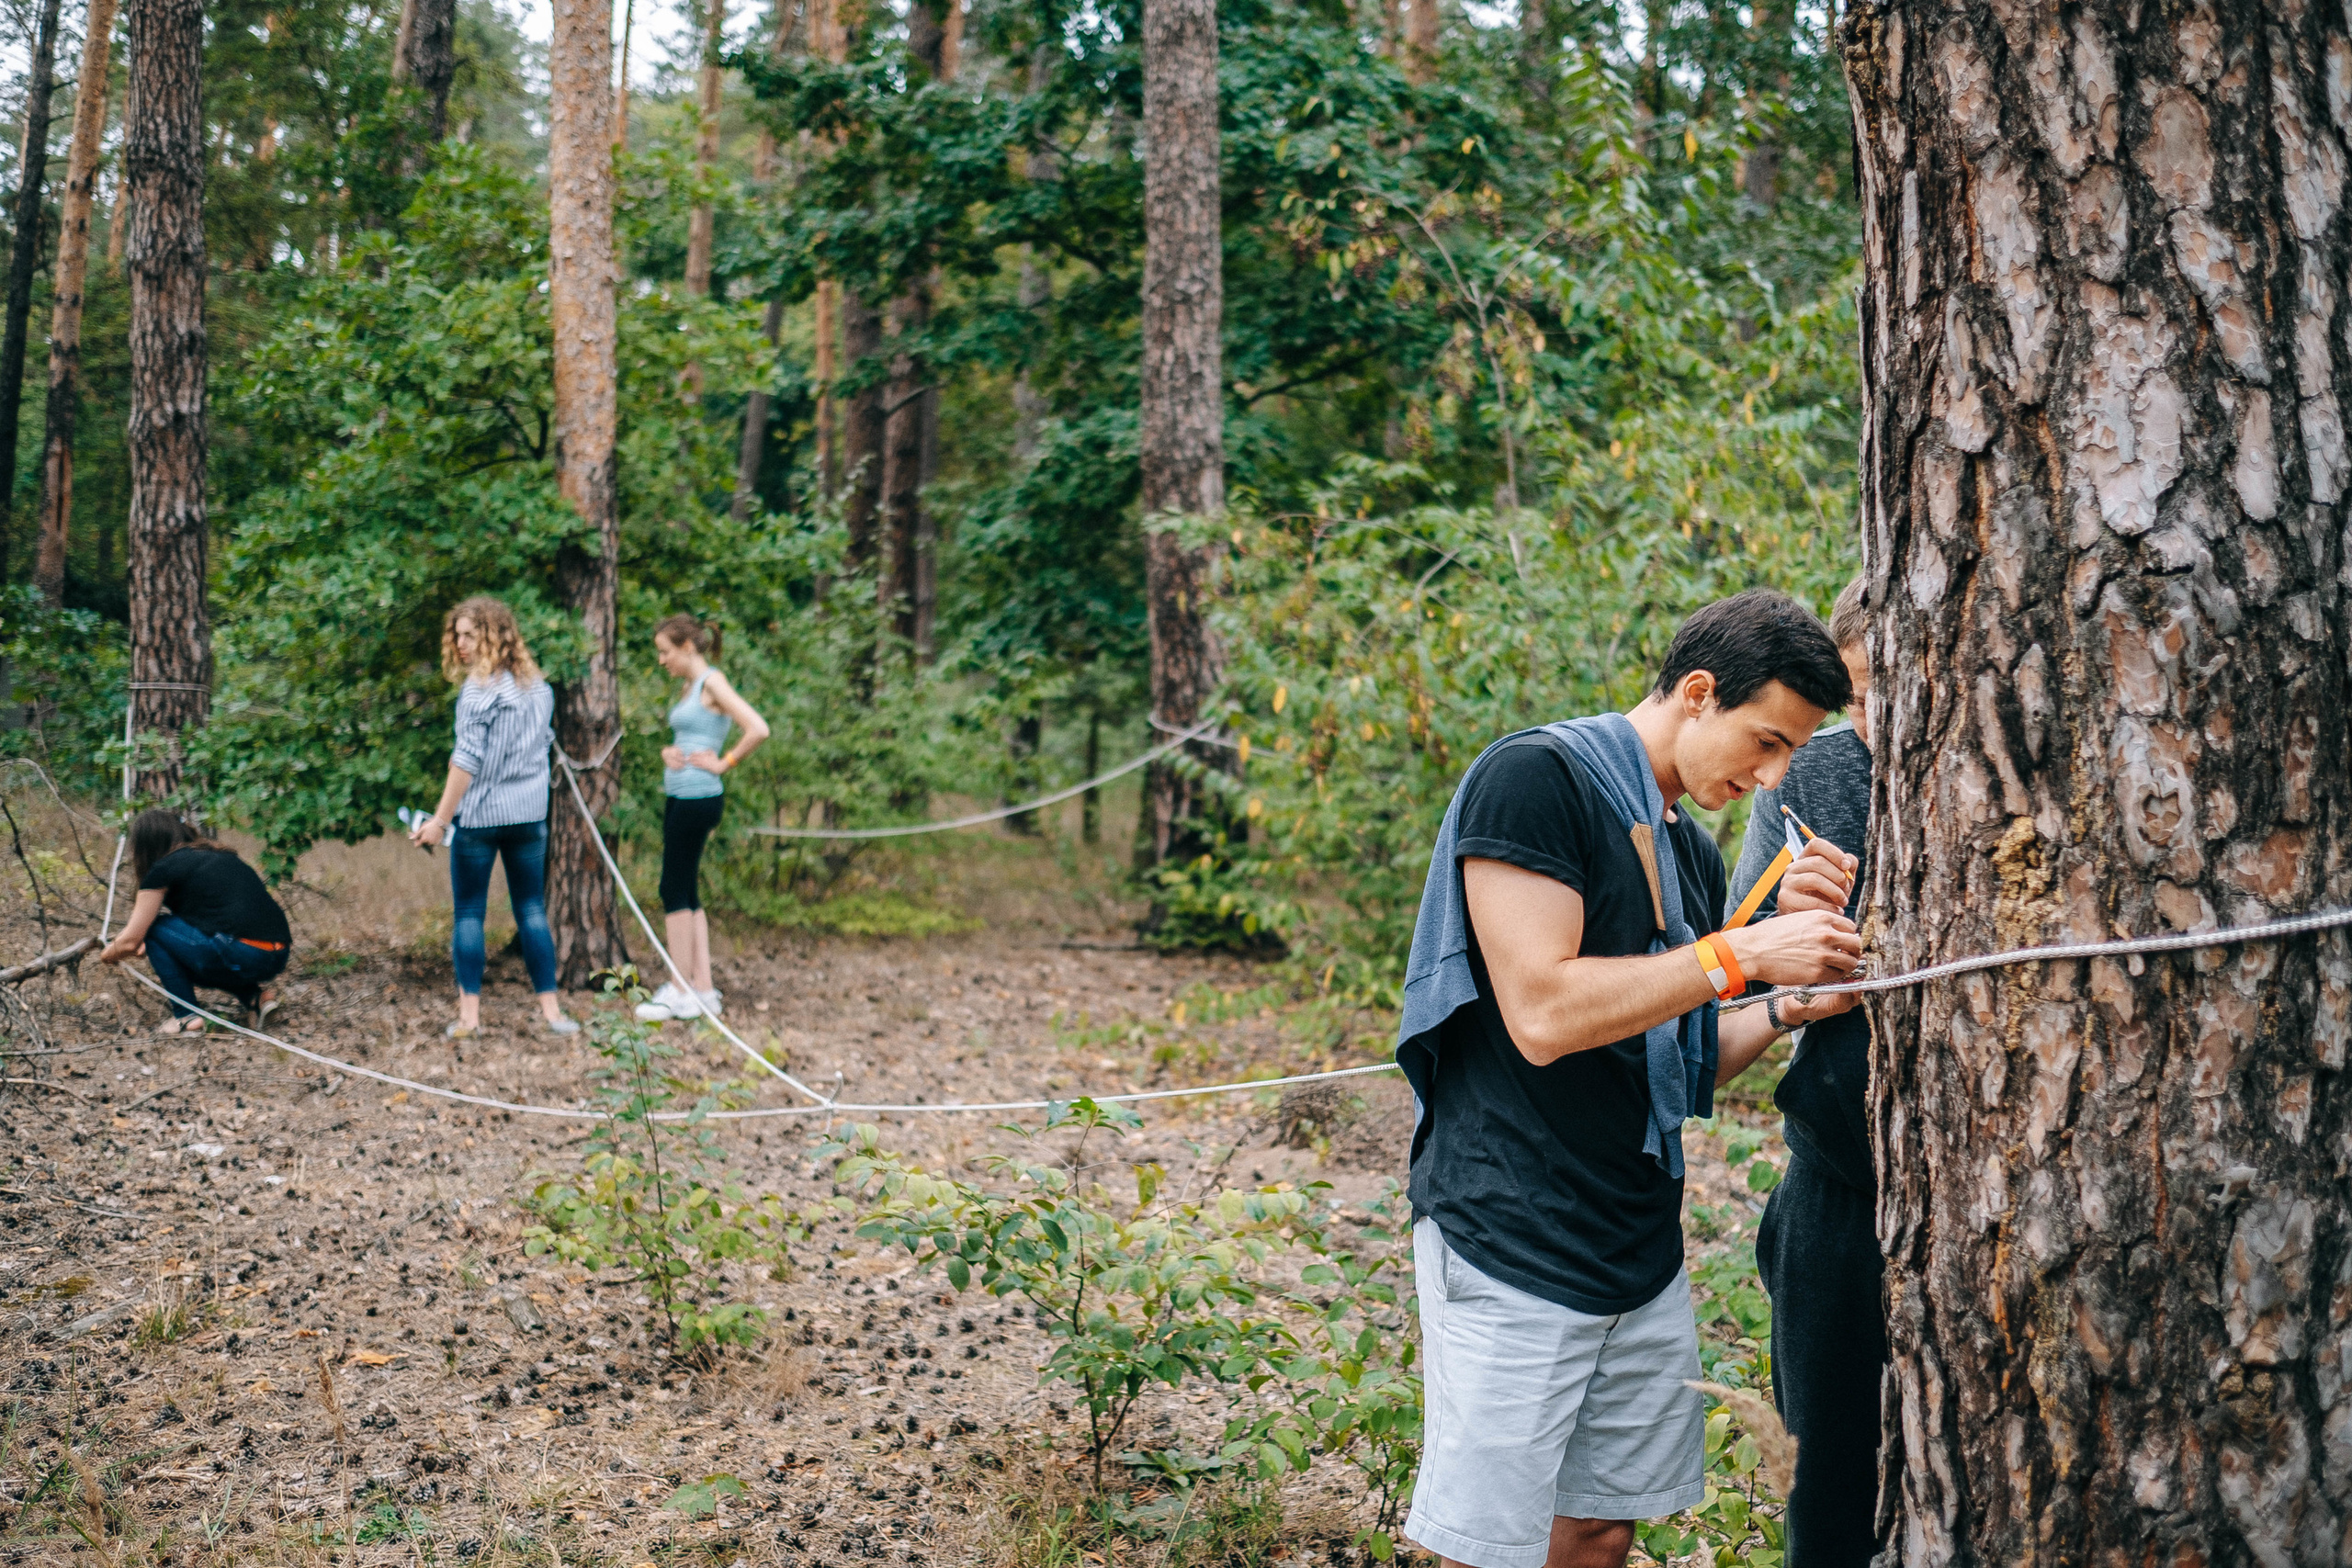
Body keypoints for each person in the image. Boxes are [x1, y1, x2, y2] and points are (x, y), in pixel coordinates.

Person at [1396, 588, 1867, 1568]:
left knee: (1601, 1530)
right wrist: (1746, 958)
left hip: (1636, 1238)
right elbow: (1543, 1013)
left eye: (1791, 754)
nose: (1773, 775)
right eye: (1767, 742)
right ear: (1698, 693)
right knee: (1487, 1544)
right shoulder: (1535, 779)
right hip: (1509, 1226)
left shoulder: (1686, 850)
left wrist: (1786, 1007)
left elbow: (1687, 1049)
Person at [1730, 576, 1876, 1568]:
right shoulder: (1808, 776)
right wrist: (1790, 940)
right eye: (1864, 701)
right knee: (1828, 1492)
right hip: (1841, 1185)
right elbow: (1727, 983)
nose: (1886, 724)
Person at [407, 596, 578, 1040]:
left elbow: (465, 761)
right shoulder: (539, 689)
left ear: (493, 636)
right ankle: (553, 1014)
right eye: (457, 635)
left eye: (469, 635)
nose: (460, 644)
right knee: (532, 910)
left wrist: (440, 822)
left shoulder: (478, 692)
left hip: (481, 819)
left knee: (469, 913)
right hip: (529, 816)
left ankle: (469, 1019)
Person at [635, 614, 769, 1022]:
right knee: (687, 892)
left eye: (665, 651)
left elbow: (757, 728)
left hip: (697, 797)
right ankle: (703, 990)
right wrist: (667, 754)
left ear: (687, 647)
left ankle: (678, 989)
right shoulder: (691, 686)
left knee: (671, 888)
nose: (661, 660)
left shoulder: (712, 682)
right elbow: (691, 737)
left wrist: (725, 763)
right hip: (681, 793)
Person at [97, 810, 290, 1035]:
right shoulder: (223, 856)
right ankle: (257, 998)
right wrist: (132, 942)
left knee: (156, 929)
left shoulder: (164, 868)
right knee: (195, 946)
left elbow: (133, 939)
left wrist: (109, 953)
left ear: (144, 845)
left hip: (242, 953)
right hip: (278, 953)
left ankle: (186, 1017)